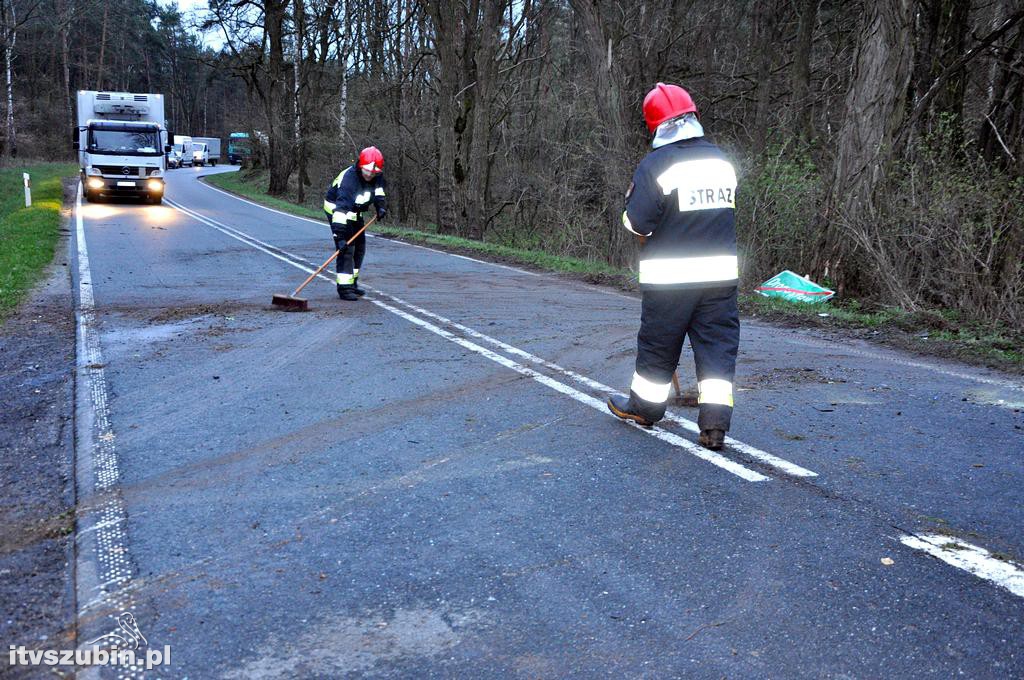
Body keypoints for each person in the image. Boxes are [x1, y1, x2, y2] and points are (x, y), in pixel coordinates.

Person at [606, 83, 740, 451]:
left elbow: (639, 224)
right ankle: (714, 426)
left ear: (656, 127)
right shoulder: (721, 160)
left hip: (671, 281)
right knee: (717, 350)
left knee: (658, 345)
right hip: (720, 279)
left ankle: (645, 408)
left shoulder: (656, 165)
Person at [322, 146, 388, 301]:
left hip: (356, 212)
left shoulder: (377, 176)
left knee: (360, 248)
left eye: (373, 172)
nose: (370, 175)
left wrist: (381, 207)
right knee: (347, 248)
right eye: (367, 171)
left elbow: (379, 192)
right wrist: (339, 238)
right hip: (338, 211)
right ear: (360, 165)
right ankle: (344, 288)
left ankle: (352, 283)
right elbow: (340, 211)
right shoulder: (349, 180)